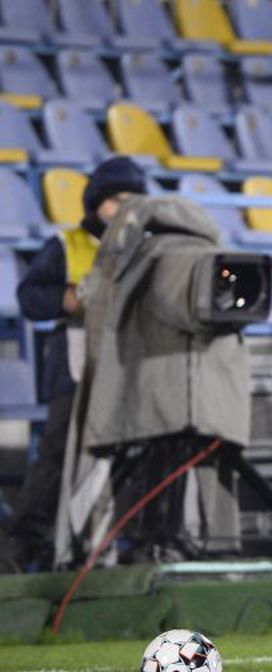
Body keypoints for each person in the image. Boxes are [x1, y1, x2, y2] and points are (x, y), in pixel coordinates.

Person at [0, 157, 146, 573]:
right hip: (75, 365)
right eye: (115, 200)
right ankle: (21, 549)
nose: (123, 209)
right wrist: (68, 299)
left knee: (127, 459)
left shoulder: (144, 248)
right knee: (57, 456)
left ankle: (118, 549)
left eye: (131, 201)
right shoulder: (67, 245)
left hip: (127, 364)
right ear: (96, 202)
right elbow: (30, 298)